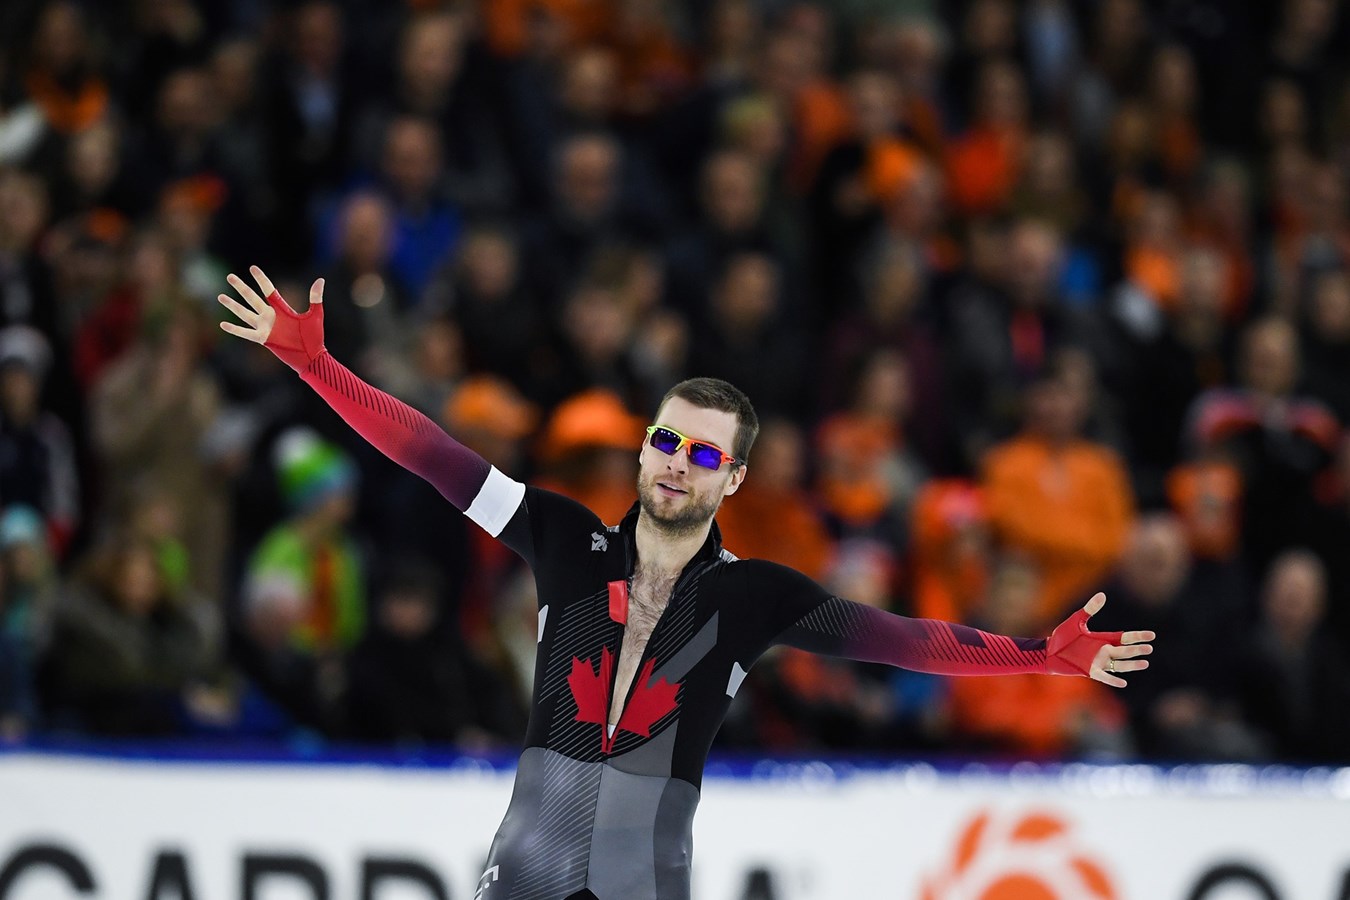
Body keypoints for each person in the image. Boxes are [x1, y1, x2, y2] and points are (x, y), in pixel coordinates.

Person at [218, 265, 1154, 900]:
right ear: (642, 447)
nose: (676, 463)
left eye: (704, 454)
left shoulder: (753, 600)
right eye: (665, 440)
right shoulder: (565, 540)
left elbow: (902, 640)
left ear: (734, 480)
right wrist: (319, 366)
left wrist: (1043, 656)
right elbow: (432, 454)